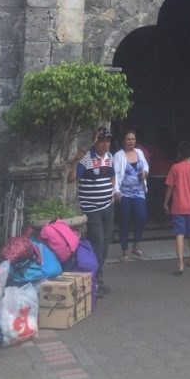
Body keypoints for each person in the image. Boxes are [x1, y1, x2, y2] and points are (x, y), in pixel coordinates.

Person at [68, 126, 115, 298]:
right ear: (95, 142)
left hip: (108, 207)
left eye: (107, 141)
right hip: (92, 209)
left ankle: (99, 277)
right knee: (97, 242)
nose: (105, 145)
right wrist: (76, 160)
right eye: (102, 141)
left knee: (106, 241)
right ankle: (93, 280)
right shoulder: (87, 159)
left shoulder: (109, 158)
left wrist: (113, 190)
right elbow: (71, 178)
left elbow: (111, 175)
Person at [163, 140, 190, 275]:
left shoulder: (175, 168)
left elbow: (170, 187)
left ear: (179, 153)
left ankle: (180, 263)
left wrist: (165, 202)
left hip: (178, 206)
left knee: (179, 234)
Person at [114, 129, 149, 261]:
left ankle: (136, 243)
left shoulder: (139, 152)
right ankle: (124, 249)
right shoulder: (118, 155)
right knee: (124, 220)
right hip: (124, 193)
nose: (131, 141)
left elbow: (145, 166)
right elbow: (115, 175)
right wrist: (116, 190)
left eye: (133, 139)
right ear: (123, 141)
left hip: (139, 191)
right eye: (128, 139)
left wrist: (145, 173)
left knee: (142, 216)